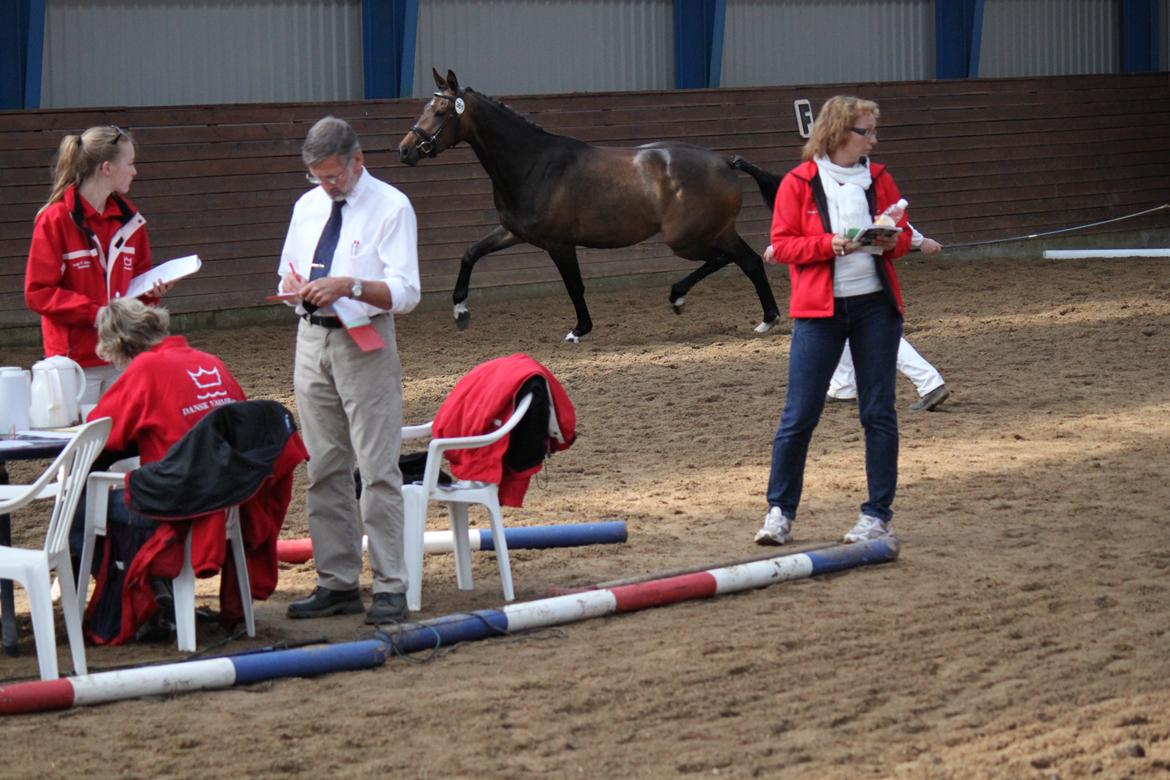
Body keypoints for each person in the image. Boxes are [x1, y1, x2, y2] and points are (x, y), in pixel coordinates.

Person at [278, 116, 421, 624]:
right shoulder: (307, 205)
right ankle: (336, 580)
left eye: (333, 176)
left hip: (365, 339)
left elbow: (406, 293)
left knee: (377, 467)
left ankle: (390, 585)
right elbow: (288, 267)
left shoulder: (391, 206)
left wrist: (351, 286)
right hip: (311, 336)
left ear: (358, 161)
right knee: (323, 466)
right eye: (317, 176)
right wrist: (296, 284)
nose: (326, 185)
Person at [755, 95, 912, 547]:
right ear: (840, 132)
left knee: (878, 412)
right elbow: (782, 246)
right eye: (866, 132)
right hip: (819, 312)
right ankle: (780, 511)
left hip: (875, 309)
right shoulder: (799, 182)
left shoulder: (879, 179)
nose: (873, 140)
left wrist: (890, 237)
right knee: (800, 414)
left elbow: (900, 247)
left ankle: (877, 514)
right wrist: (831, 244)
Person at [83, 297, 248, 643]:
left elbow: (99, 430)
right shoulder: (210, 361)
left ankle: (129, 604)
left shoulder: (145, 370)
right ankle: (158, 594)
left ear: (120, 346)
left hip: (180, 504)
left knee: (83, 506)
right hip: (231, 498)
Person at [24, 125, 172, 405]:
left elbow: (137, 282)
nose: (134, 171)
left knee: (124, 444)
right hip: (73, 362)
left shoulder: (132, 221)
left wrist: (153, 292)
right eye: (129, 164)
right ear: (107, 168)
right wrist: (99, 314)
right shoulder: (55, 220)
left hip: (123, 353)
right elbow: (38, 292)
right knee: (77, 443)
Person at [827, 226, 951, 412]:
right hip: (850, 272)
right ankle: (843, 388)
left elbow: (891, 218)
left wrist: (920, 240)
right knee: (840, 328)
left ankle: (930, 383)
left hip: (854, 273)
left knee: (879, 335)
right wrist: (921, 241)